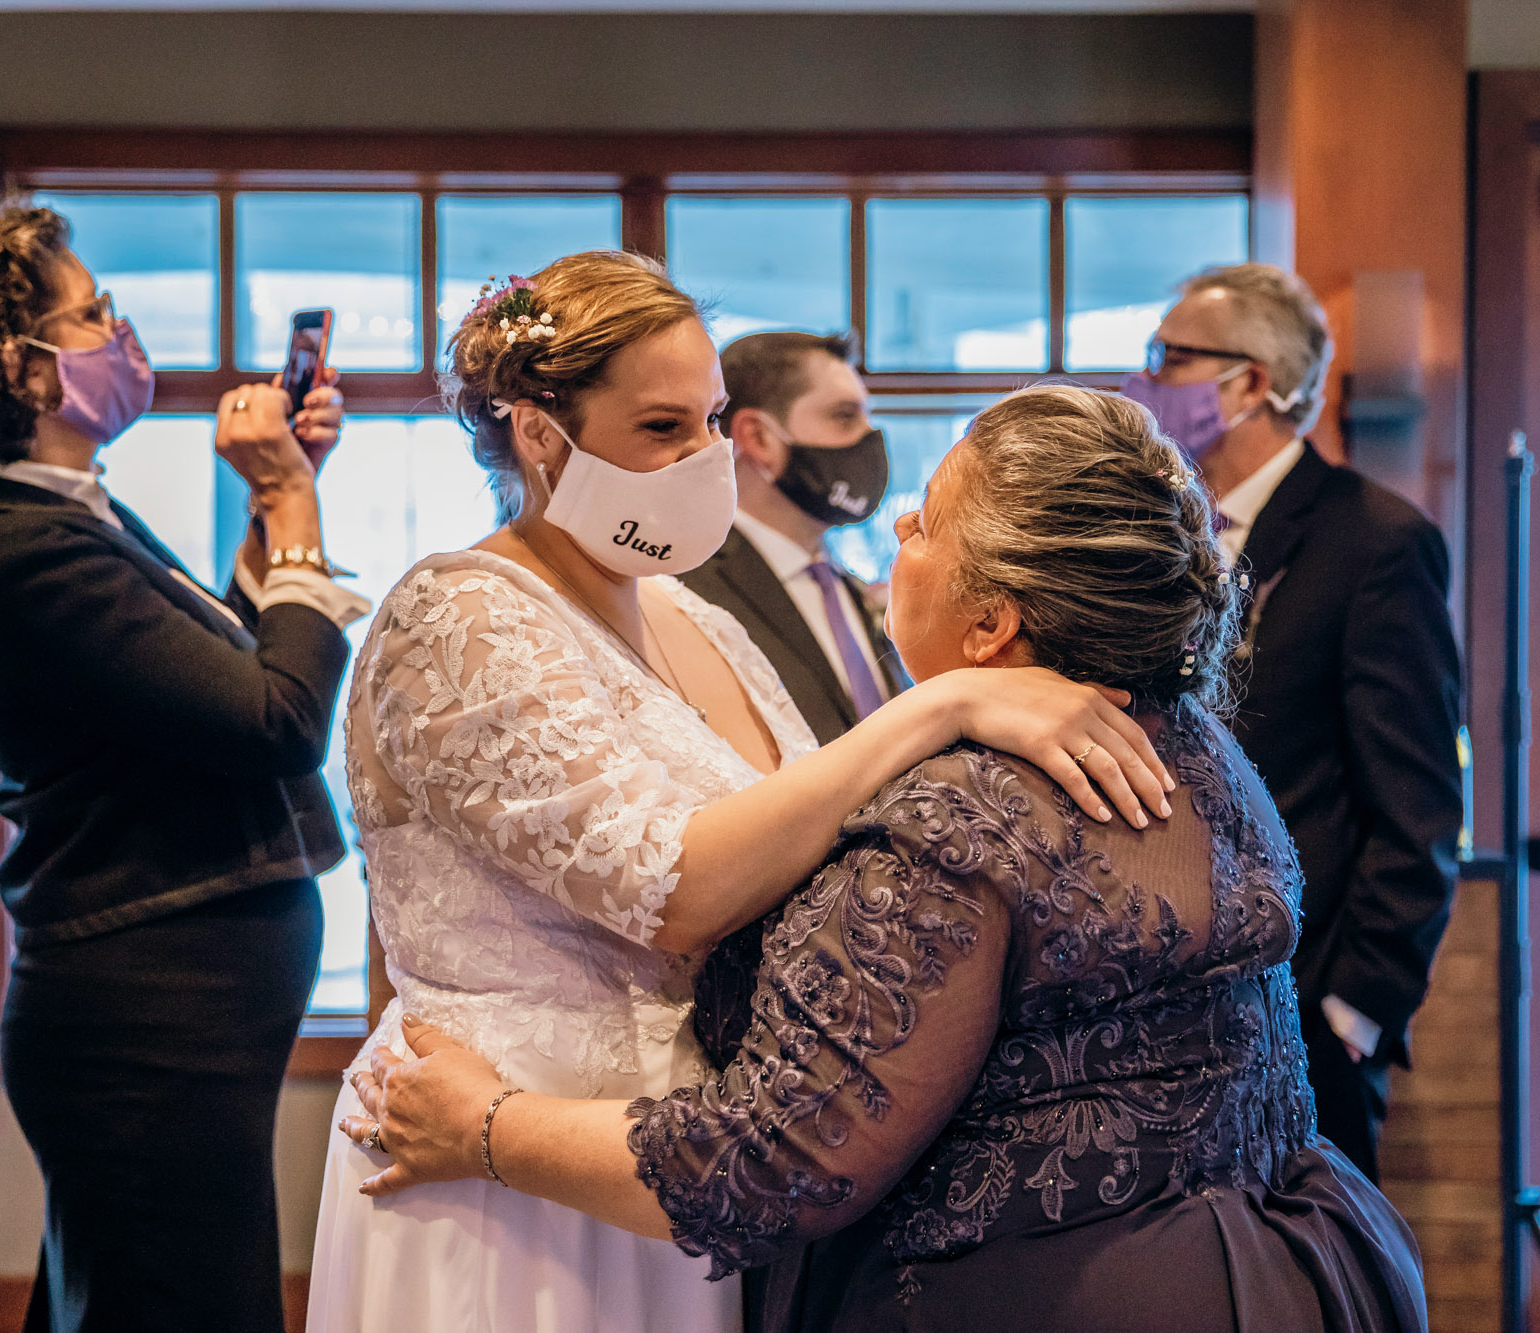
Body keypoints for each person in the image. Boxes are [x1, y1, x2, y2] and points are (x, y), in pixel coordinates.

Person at [344, 385, 1429, 1333]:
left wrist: (485, 1127)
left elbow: (773, 1161)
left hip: (1050, 1294)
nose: (898, 519)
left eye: (930, 520)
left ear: (993, 620)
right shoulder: (1190, 742)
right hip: (1285, 1253)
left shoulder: (957, 817)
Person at [305, 255, 1178, 1333]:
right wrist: (937, 709)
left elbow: (815, 842)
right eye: (662, 428)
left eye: (714, 419)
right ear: (540, 435)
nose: (706, 457)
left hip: (689, 1156)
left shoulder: (691, 616)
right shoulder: (456, 614)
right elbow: (672, 885)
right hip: (504, 1163)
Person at [0, 204, 365, 1333]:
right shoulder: (16, 551)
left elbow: (206, 686)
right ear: (19, 365)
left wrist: (277, 505)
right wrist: (292, 508)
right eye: (91, 315)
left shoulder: (56, 513)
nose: (118, 329)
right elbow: (276, 718)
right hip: (145, 1023)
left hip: (171, 1012)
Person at [1120, 263, 1462, 1182]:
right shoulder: (1168, 535)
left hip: (1305, 999)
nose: (1148, 379)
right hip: (1169, 995)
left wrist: (1355, 1007)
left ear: (1253, 383)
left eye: (1170, 357)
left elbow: (1419, 804)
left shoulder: (1373, 539)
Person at [682, 331, 905, 746]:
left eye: (867, 417)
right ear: (759, 437)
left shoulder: (847, 585)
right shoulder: (689, 586)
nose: (869, 438)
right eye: (844, 416)